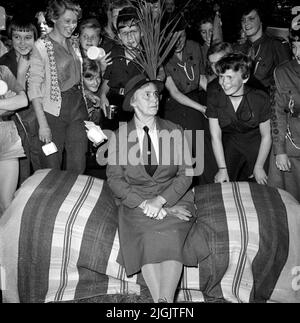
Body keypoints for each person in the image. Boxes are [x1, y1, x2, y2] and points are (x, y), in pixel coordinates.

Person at [106, 74, 208, 303]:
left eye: (156, 94)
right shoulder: (119, 137)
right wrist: (144, 203)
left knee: (171, 233)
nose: (155, 99)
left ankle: (163, 304)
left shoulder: (175, 130)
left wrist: (161, 202)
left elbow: (186, 173)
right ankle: (164, 304)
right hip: (136, 200)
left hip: (174, 196)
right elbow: (114, 180)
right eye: (147, 95)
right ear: (132, 101)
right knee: (147, 234)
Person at [28, 0, 88, 173]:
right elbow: (34, 88)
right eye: (67, 21)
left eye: (75, 21)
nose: (72, 26)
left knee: (78, 162)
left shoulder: (74, 43)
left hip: (77, 107)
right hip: (53, 111)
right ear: (54, 18)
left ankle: (76, 199)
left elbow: (74, 76)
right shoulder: (41, 46)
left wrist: (88, 94)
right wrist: (43, 124)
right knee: (51, 165)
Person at [163, 19, 217, 184]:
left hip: (195, 99)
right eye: (174, 38)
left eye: (182, 36)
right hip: (175, 104)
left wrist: (218, 97)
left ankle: (210, 185)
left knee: (204, 145)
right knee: (184, 148)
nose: (178, 42)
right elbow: (174, 92)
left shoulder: (193, 47)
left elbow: (200, 78)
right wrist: (201, 108)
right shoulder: (162, 55)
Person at [206, 53, 272, 184]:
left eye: (229, 77)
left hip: (256, 143)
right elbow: (215, 136)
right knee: (223, 181)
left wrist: (258, 167)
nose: (224, 83)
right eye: (221, 77)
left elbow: (266, 136)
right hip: (231, 142)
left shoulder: (259, 98)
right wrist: (222, 168)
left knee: (261, 184)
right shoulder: (215, 97)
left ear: (245, 78)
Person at [0, 15, 41, 183]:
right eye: (17, 37)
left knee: (42, 163)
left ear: (35, 38)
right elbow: (14, 100)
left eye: (28, 38)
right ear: (11, 39)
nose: (22, 43)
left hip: (42, 117)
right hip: (18, 121)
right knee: (22, 171)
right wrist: (22, 74)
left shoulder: (41, 57)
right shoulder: (5, 62)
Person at [268, 24, 300, 202]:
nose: (298, 54)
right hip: (291, 147)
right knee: (288, 201)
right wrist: (280, 151)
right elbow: (276, 112)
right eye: (295, 47)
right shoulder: (282, 72)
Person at [100, 6, 144, 129]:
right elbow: (107, 82)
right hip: (114, 103)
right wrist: (103, 95)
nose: (129, 38)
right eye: (124, 33)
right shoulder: (114, 52)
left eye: (133, 31)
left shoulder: (148, 58)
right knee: (111, 140)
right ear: (119, 35)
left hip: (136, 105)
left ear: (142, 32)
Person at [240, 3, 291, 92]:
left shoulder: (276, 45)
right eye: (243, 20)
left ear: (261, 20)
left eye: (251, 19)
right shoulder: (239, 48)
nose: (246, 23)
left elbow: (287, 82)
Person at [0, 65, 28, 215]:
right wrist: (9, 103)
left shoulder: (3, 71)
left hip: (6, 133)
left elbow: (23, 101)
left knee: (7, 204)